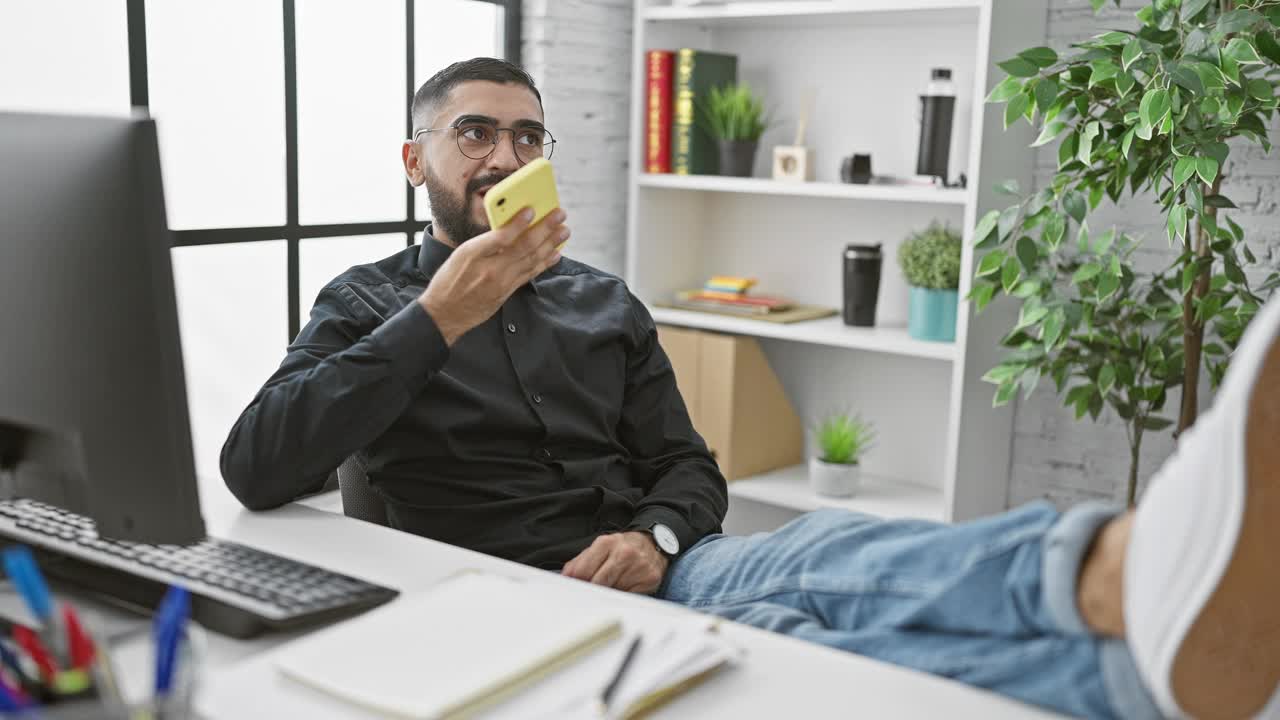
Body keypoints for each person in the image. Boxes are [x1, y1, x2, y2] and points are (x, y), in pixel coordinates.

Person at [221, 58, 1279, 720]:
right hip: (511, 604)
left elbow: (689, 470)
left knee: (828, 553)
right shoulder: (368, 301)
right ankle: (1135, 684)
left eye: (528, 134)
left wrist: (657, 539)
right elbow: (258, 466)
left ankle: (1116, 564)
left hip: (658, 569)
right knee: (806, 648)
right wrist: (440, 315)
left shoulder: (602, 302)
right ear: (416, 160)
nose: (507, 155)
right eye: (475, 133)